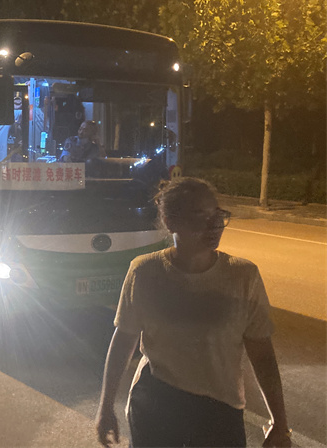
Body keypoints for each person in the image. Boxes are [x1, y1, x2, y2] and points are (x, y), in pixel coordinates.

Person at [95, 177, 291, 448]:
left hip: (221, 411)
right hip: (156, 406)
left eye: (217, 215)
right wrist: (105, 407)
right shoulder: (145, 271)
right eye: (200, 216)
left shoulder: (243, 276)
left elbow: (263, 355)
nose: (214, 225)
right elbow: (123, 340)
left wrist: (280, 423)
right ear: (170, 222)